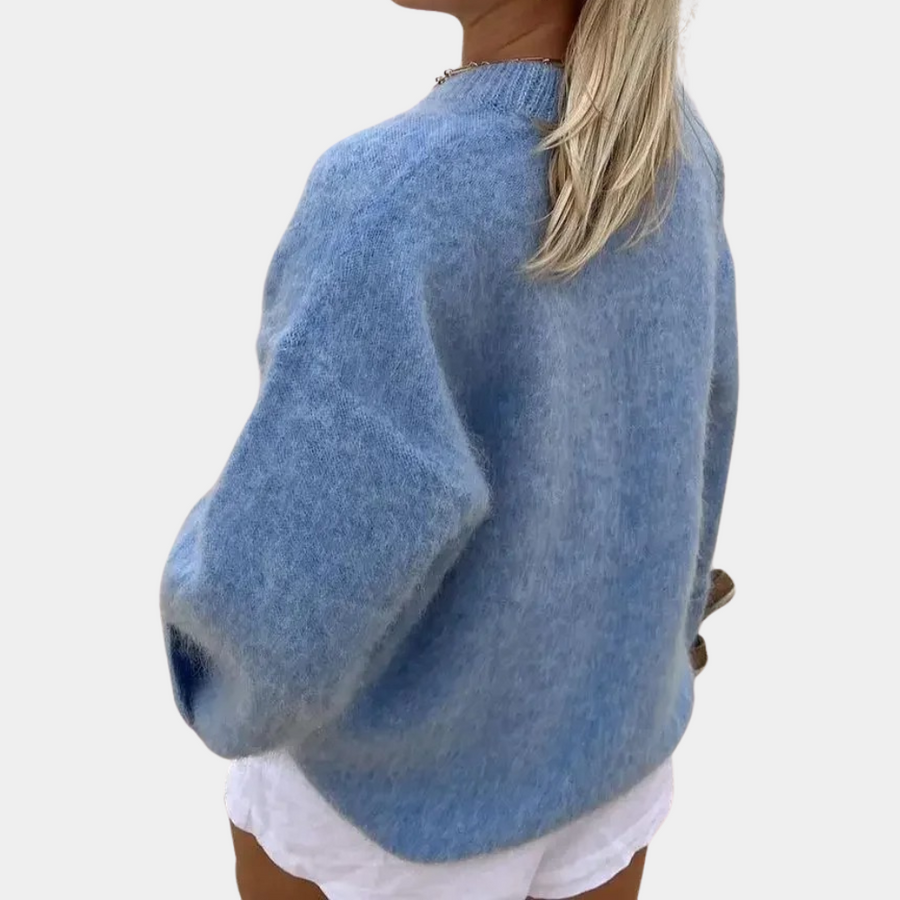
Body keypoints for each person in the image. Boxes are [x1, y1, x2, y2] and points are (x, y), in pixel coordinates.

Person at [157, 1, 739, 898]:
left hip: (396, 812)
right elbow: (700, 433)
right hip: (613, 760)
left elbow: (287, 589)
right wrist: (663, 641)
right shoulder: (673, 153)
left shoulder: (399, 196)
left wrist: (212, 668)